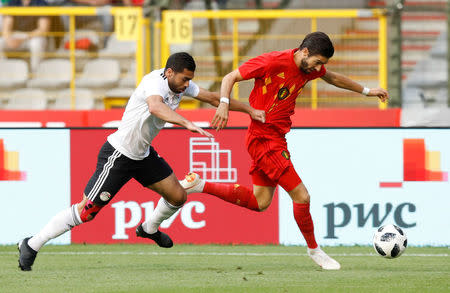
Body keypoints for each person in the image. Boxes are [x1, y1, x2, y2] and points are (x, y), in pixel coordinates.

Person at [17, 52, 265, 271]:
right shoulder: (152, 83)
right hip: (118, 155)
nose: (187, 84)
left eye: (190, 79)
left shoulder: (179, 85)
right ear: (169, 72)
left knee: (178, 196)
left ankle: (148, 228)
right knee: (87, 211)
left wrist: (249, 110)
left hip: (143, 155)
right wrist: (186, 122)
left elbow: (212, 97)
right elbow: (156, 107)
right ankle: (32, 244)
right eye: (184, 79)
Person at [180, 32, 389, 270]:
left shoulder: (310, 69)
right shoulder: (272, 62)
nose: (318, 68)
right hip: (264, 139)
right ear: (305, 52)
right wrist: (225, 105)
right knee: (302, 196)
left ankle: (198, 184)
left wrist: (367, 91)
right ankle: (315, 251)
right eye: (317, 62)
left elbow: (332, 78)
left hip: (273, 137)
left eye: (322, 64)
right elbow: (230, 77)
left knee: (260, 202)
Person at [0, 0, 50, 72]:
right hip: (17, 35)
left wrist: (23, 38)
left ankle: (35, 73)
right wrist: (9, 39)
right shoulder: (13, 2)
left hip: (33, 36)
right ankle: (4, 71)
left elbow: (43, 29)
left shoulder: (41, 3)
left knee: (36, 44)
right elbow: (6, 27)